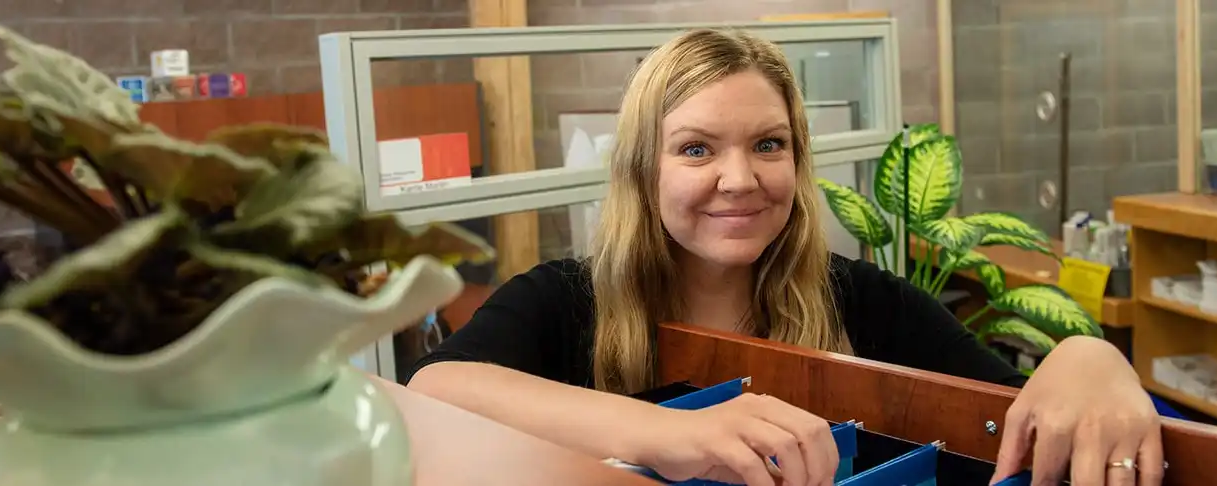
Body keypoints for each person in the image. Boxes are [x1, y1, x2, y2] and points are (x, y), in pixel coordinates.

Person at [406, 28, 1161, 486]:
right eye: (696, 149)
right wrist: (671, 433)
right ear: (643, 169)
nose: (741, 179)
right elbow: (437, 387)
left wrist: (1092, 362)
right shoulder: (565, 297)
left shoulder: (865, 301)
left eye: (769, 145)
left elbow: (1005, 413)